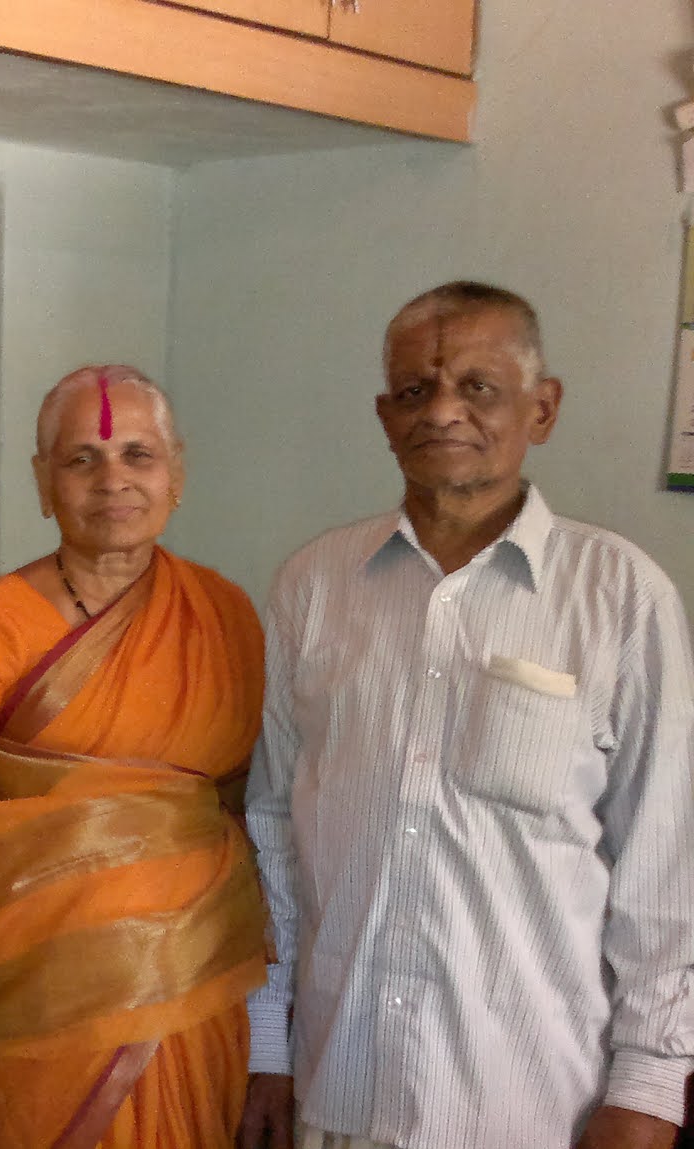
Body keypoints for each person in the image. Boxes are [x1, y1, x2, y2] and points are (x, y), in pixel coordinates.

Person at [238, 282, 694, 1149]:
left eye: (478, 386)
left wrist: (649, 1087)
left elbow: (667, 867)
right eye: (415, 389)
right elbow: (274, 832)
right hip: (341, 1087)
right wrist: (268, 1044)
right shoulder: (313, 585)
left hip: (535, 1104)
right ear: (385, 415)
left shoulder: (620, 597)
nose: (442, 410)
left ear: (542, 408)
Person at [0, 366, 268, 1149]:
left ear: (177, 474)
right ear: (43, 481)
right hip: (33, 1016)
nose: (113, 479)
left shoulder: (226, 616)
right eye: (81, 458)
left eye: (139, 454)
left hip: (195, 997)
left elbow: (237, 818)